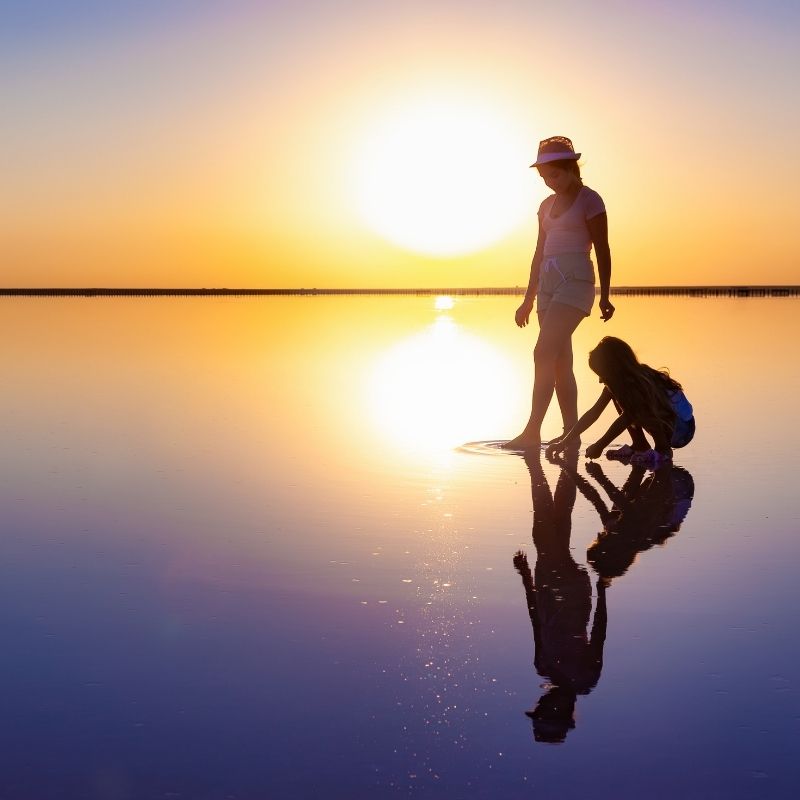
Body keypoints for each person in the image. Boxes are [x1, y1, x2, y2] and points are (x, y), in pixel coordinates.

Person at [504, 135, 614, 451]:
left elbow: (603, 249)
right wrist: (527, 298)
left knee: (542, 353)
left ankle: (531, 432)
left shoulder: (590, 200)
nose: (550, 183)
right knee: (559, 362)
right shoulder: (545, 206)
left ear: (570, 168)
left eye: (554, 175)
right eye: (543, 177)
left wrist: (605, 295)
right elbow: (538, 252)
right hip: (548, 285)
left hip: (576, 282)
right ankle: (572, 434)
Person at [547, 336, 696, 467]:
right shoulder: (619, 384)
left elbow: (627, 417)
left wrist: (600, 445)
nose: (600, 380)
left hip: (682, 429)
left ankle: (663, 452)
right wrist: (564, 443)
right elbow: (594, 412)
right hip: (669, 423)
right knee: (623, 399)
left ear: (615, 369)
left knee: (637, 408)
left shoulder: (640, 382)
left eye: (603, 375)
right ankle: (640, 445)